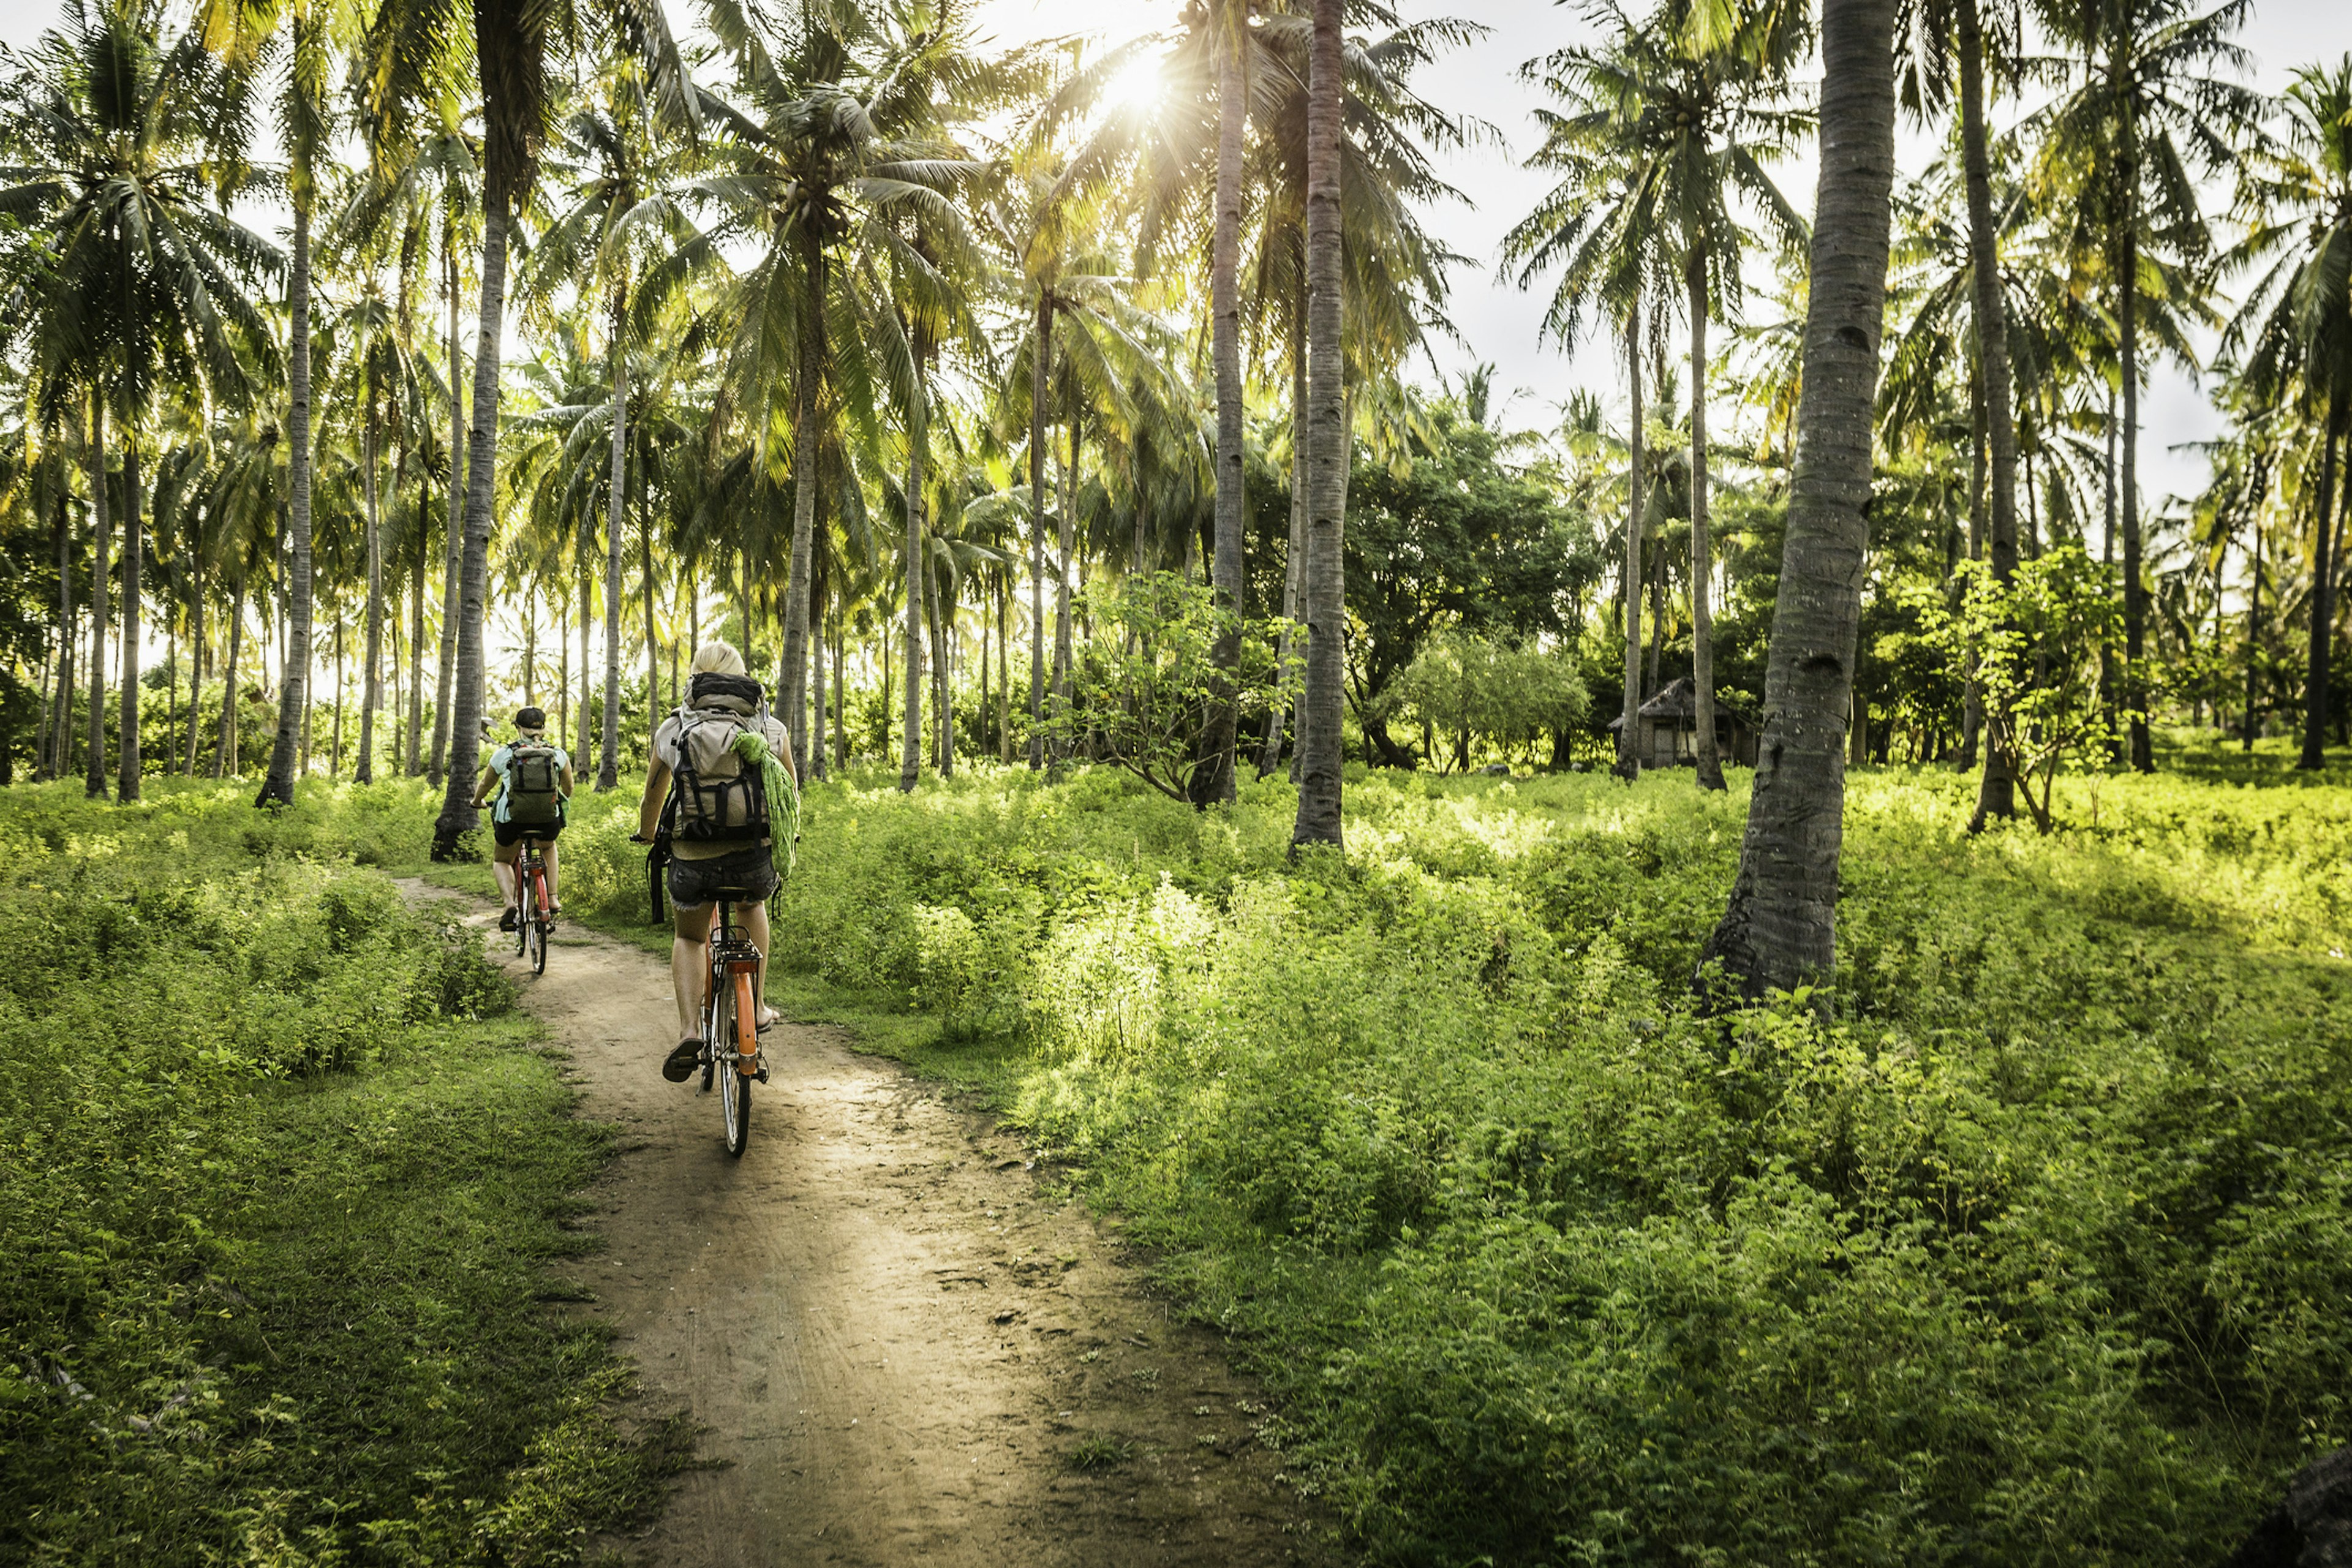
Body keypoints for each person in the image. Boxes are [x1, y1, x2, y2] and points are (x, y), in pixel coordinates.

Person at [635, 641, 794, 1082]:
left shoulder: (674, 729)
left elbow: (653, 795)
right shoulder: (769, 728)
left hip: (693, 860)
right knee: (752, 905)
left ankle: (690, 1031)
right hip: (753, 862)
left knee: (690, 938)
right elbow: (791, 798)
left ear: (695, 681)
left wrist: (649, 834)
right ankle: (757, 1006)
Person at [472, 707, 575, 930]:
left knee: (502, 860)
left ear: (518, 728)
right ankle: (553, 898)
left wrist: (477, 801)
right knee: (548, 848)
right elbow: (569, 787)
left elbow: (485, 785)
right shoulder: (557, 753)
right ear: (543, 728)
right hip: (547, 820)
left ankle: (510, 904)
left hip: (512, 822)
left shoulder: (505, 753)